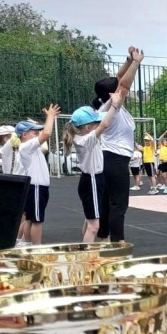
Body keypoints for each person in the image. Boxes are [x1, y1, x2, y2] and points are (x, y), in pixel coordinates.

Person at [94, 48, 142, 243]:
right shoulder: (112, 106)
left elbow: (119, 78)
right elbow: (123, 84)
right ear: (112, 93)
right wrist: (136, 63)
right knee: (118, 204)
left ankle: (104, 237)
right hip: (115, 160)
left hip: (107, 158)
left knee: (107, 202)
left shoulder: (105, 104)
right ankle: (118, 241)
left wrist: (129, 60)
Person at [63, 92, 122, 242]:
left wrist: (110, 101)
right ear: (89, 127)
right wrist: (115, 106)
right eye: (95, 123)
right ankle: (86, 259)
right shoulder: (86, 140)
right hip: (92, 181)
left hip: (94, 180)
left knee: (90, 221)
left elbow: (100, 114)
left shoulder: (82, 135)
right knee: (94, 226)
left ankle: (85, 248)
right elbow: (105, 123)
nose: (98, 124)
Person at [16, 105, 58, 244]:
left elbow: (43, 137)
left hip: (39, 187)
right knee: (37, 221)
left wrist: (42, 122)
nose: (38, 135)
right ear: (24, 135)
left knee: (30, 219)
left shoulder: (32, 147)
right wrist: (50, 117)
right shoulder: (26, 147)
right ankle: (37, 248)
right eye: (34, 133)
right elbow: (46, 134)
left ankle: (27, 244)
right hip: (36, 187)